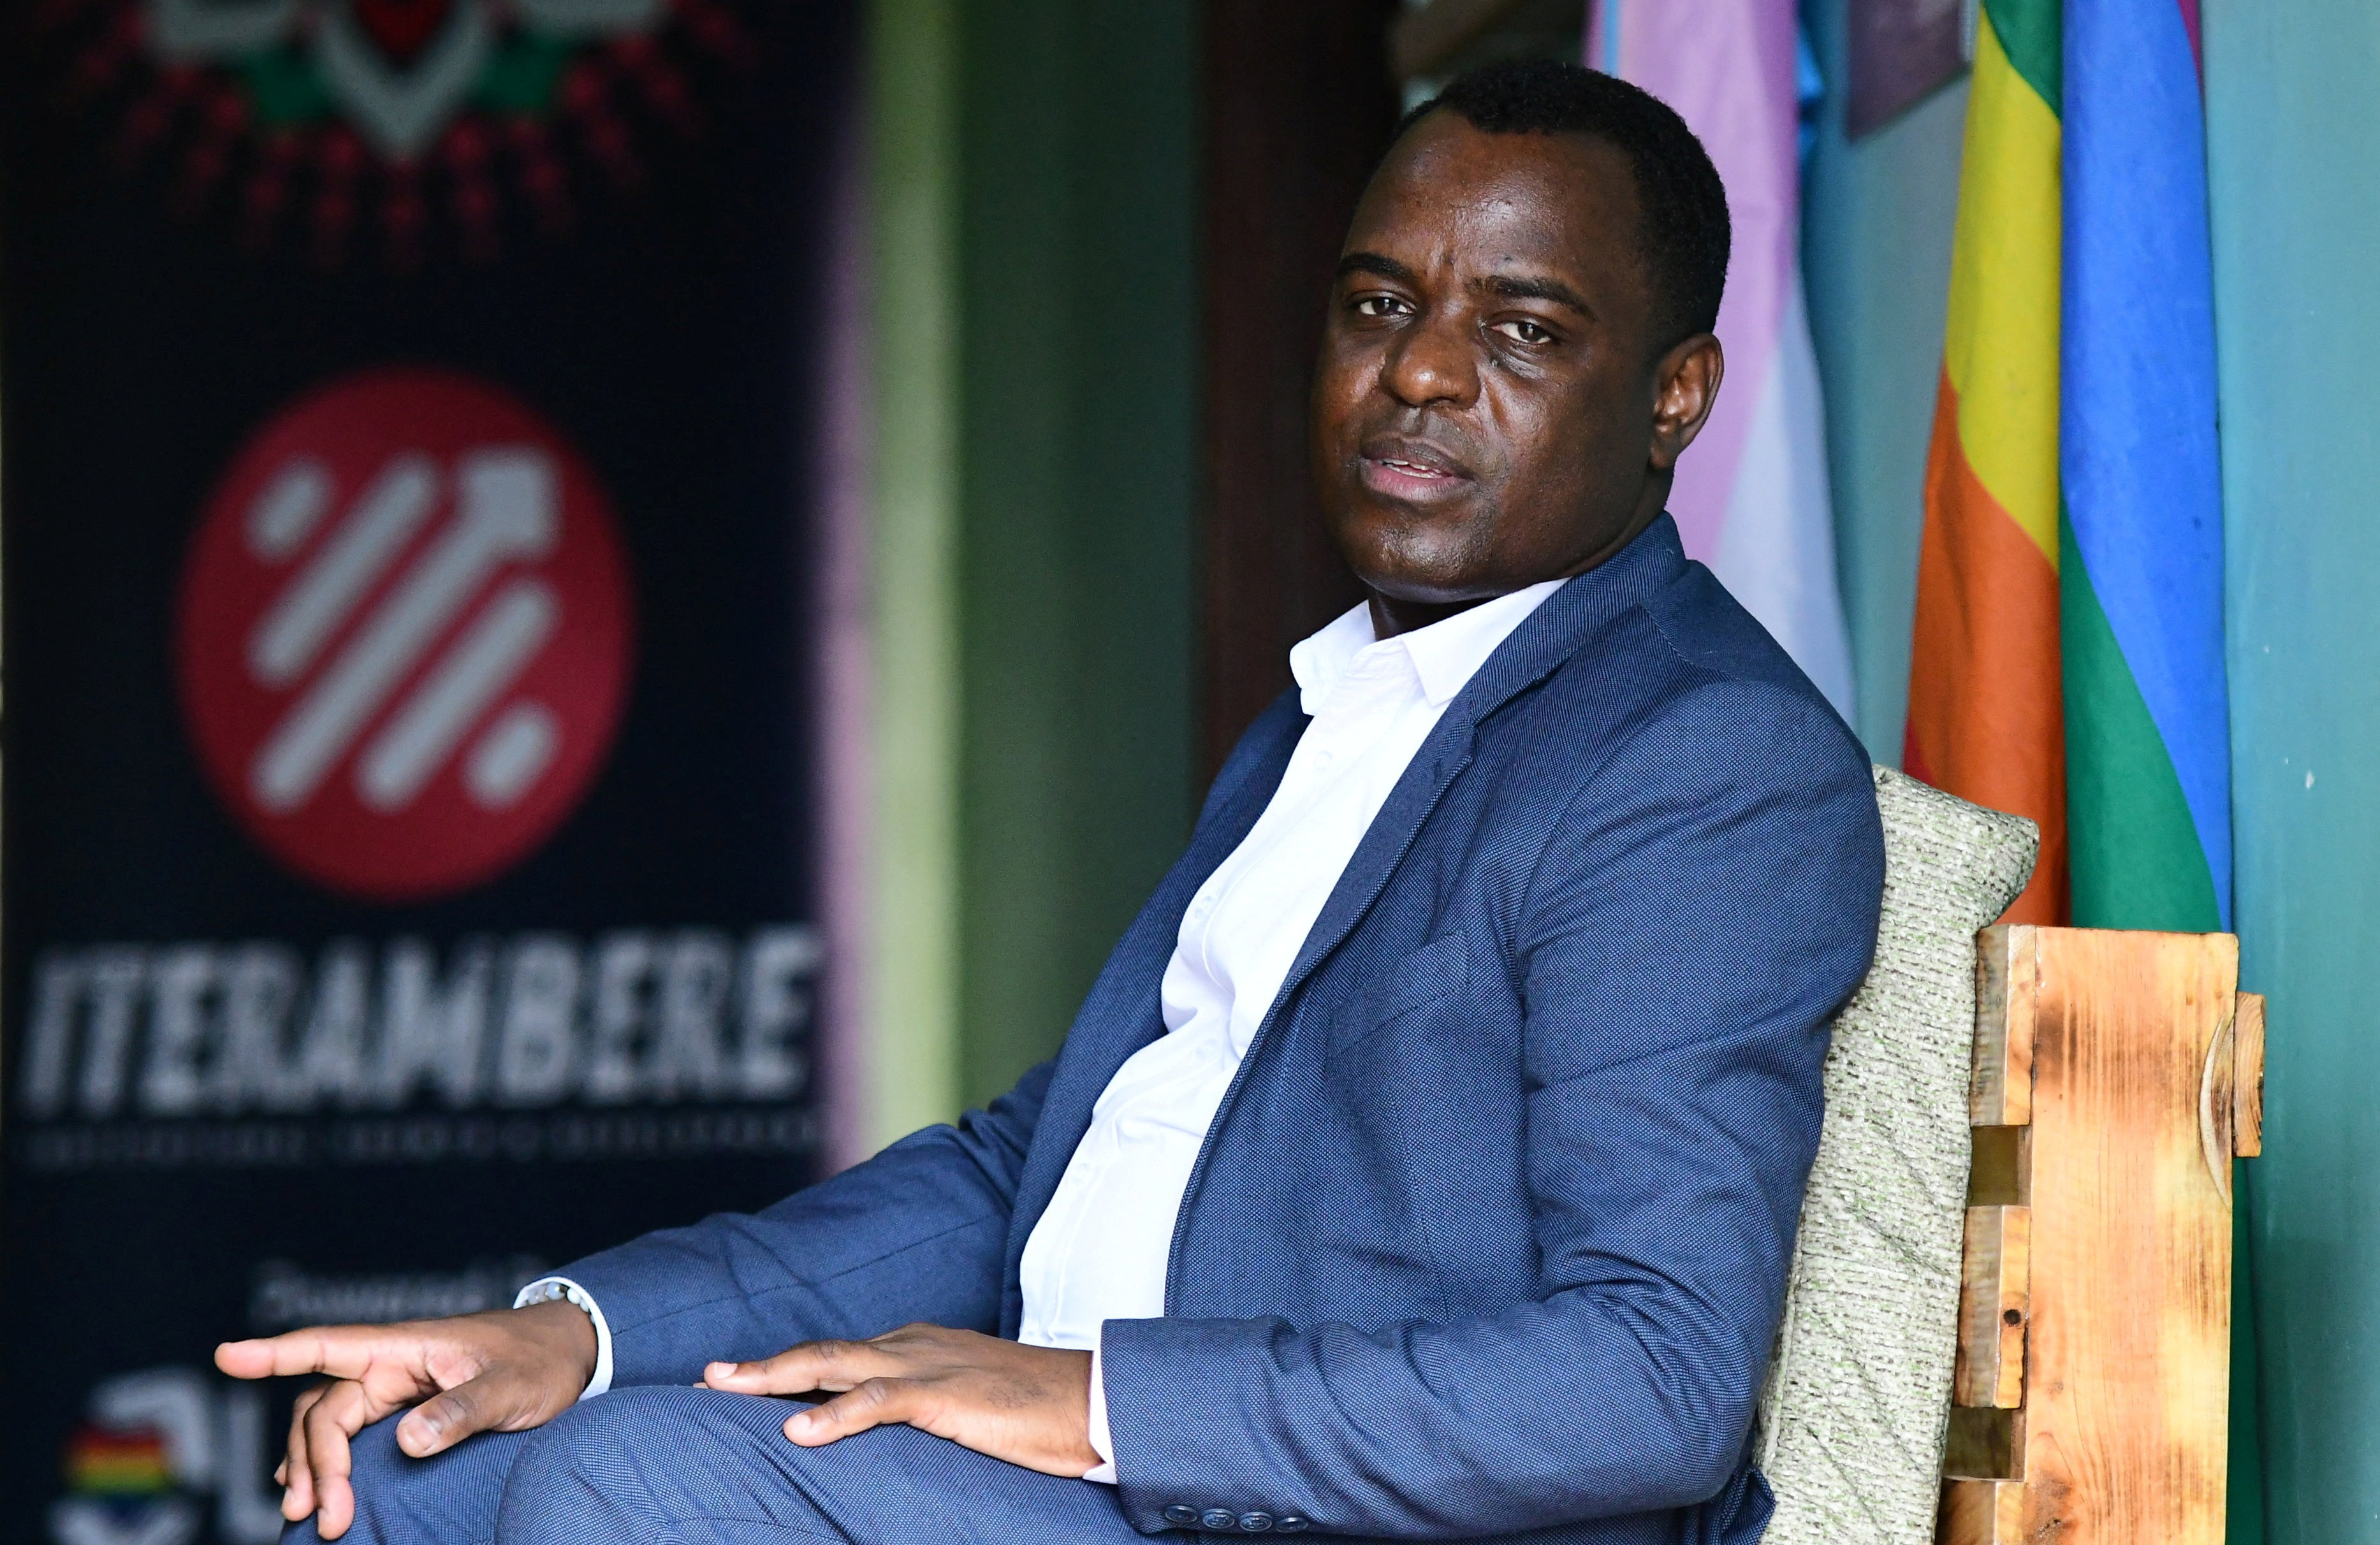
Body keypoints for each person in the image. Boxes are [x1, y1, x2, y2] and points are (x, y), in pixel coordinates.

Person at [219, 58, 1883, 1545]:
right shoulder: (1340, 710)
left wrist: (1098, 1403)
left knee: (640, 1487)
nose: (1423, 373)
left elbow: (1652, 1377)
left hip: (1286, 1507)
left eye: (1522, 330)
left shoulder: (1697, 761)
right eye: (1380, 305)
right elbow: (1029, 1171)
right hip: (1081, 1481)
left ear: (1675, 395)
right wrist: (573, 1334)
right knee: (404, 1482)